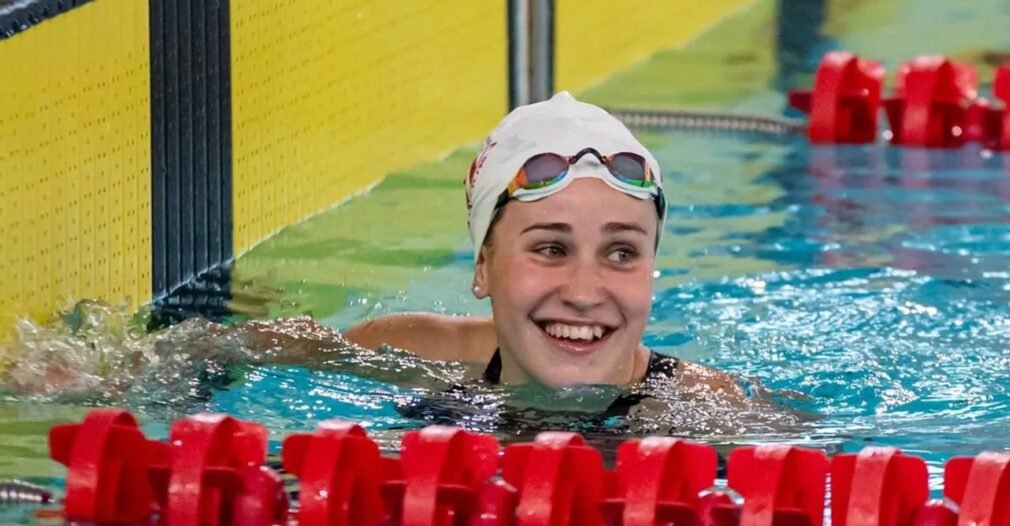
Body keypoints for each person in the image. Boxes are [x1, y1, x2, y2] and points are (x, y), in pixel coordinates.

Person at [4, 92, 756, 426]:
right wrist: (113, 378)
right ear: (483, 268)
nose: (585, 289)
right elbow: (250, 342)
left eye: (621, 252)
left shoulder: (706, 414)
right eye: (550, 248)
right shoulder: (421, 353)